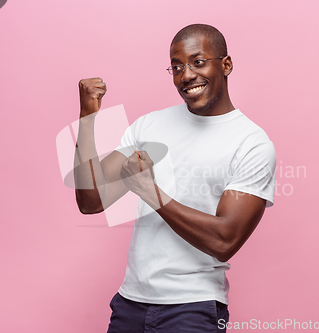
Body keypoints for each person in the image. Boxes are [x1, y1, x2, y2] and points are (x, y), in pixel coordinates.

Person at [74, 24, 276, 333]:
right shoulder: (148, 127)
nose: (186, 75)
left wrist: (151, 193)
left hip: (194, 310)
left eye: (198, 62)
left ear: (226, 65)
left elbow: (225, 241)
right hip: (129, 304)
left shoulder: (251, 143)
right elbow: (91, 201)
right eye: (177, 66)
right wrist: (88, 117)